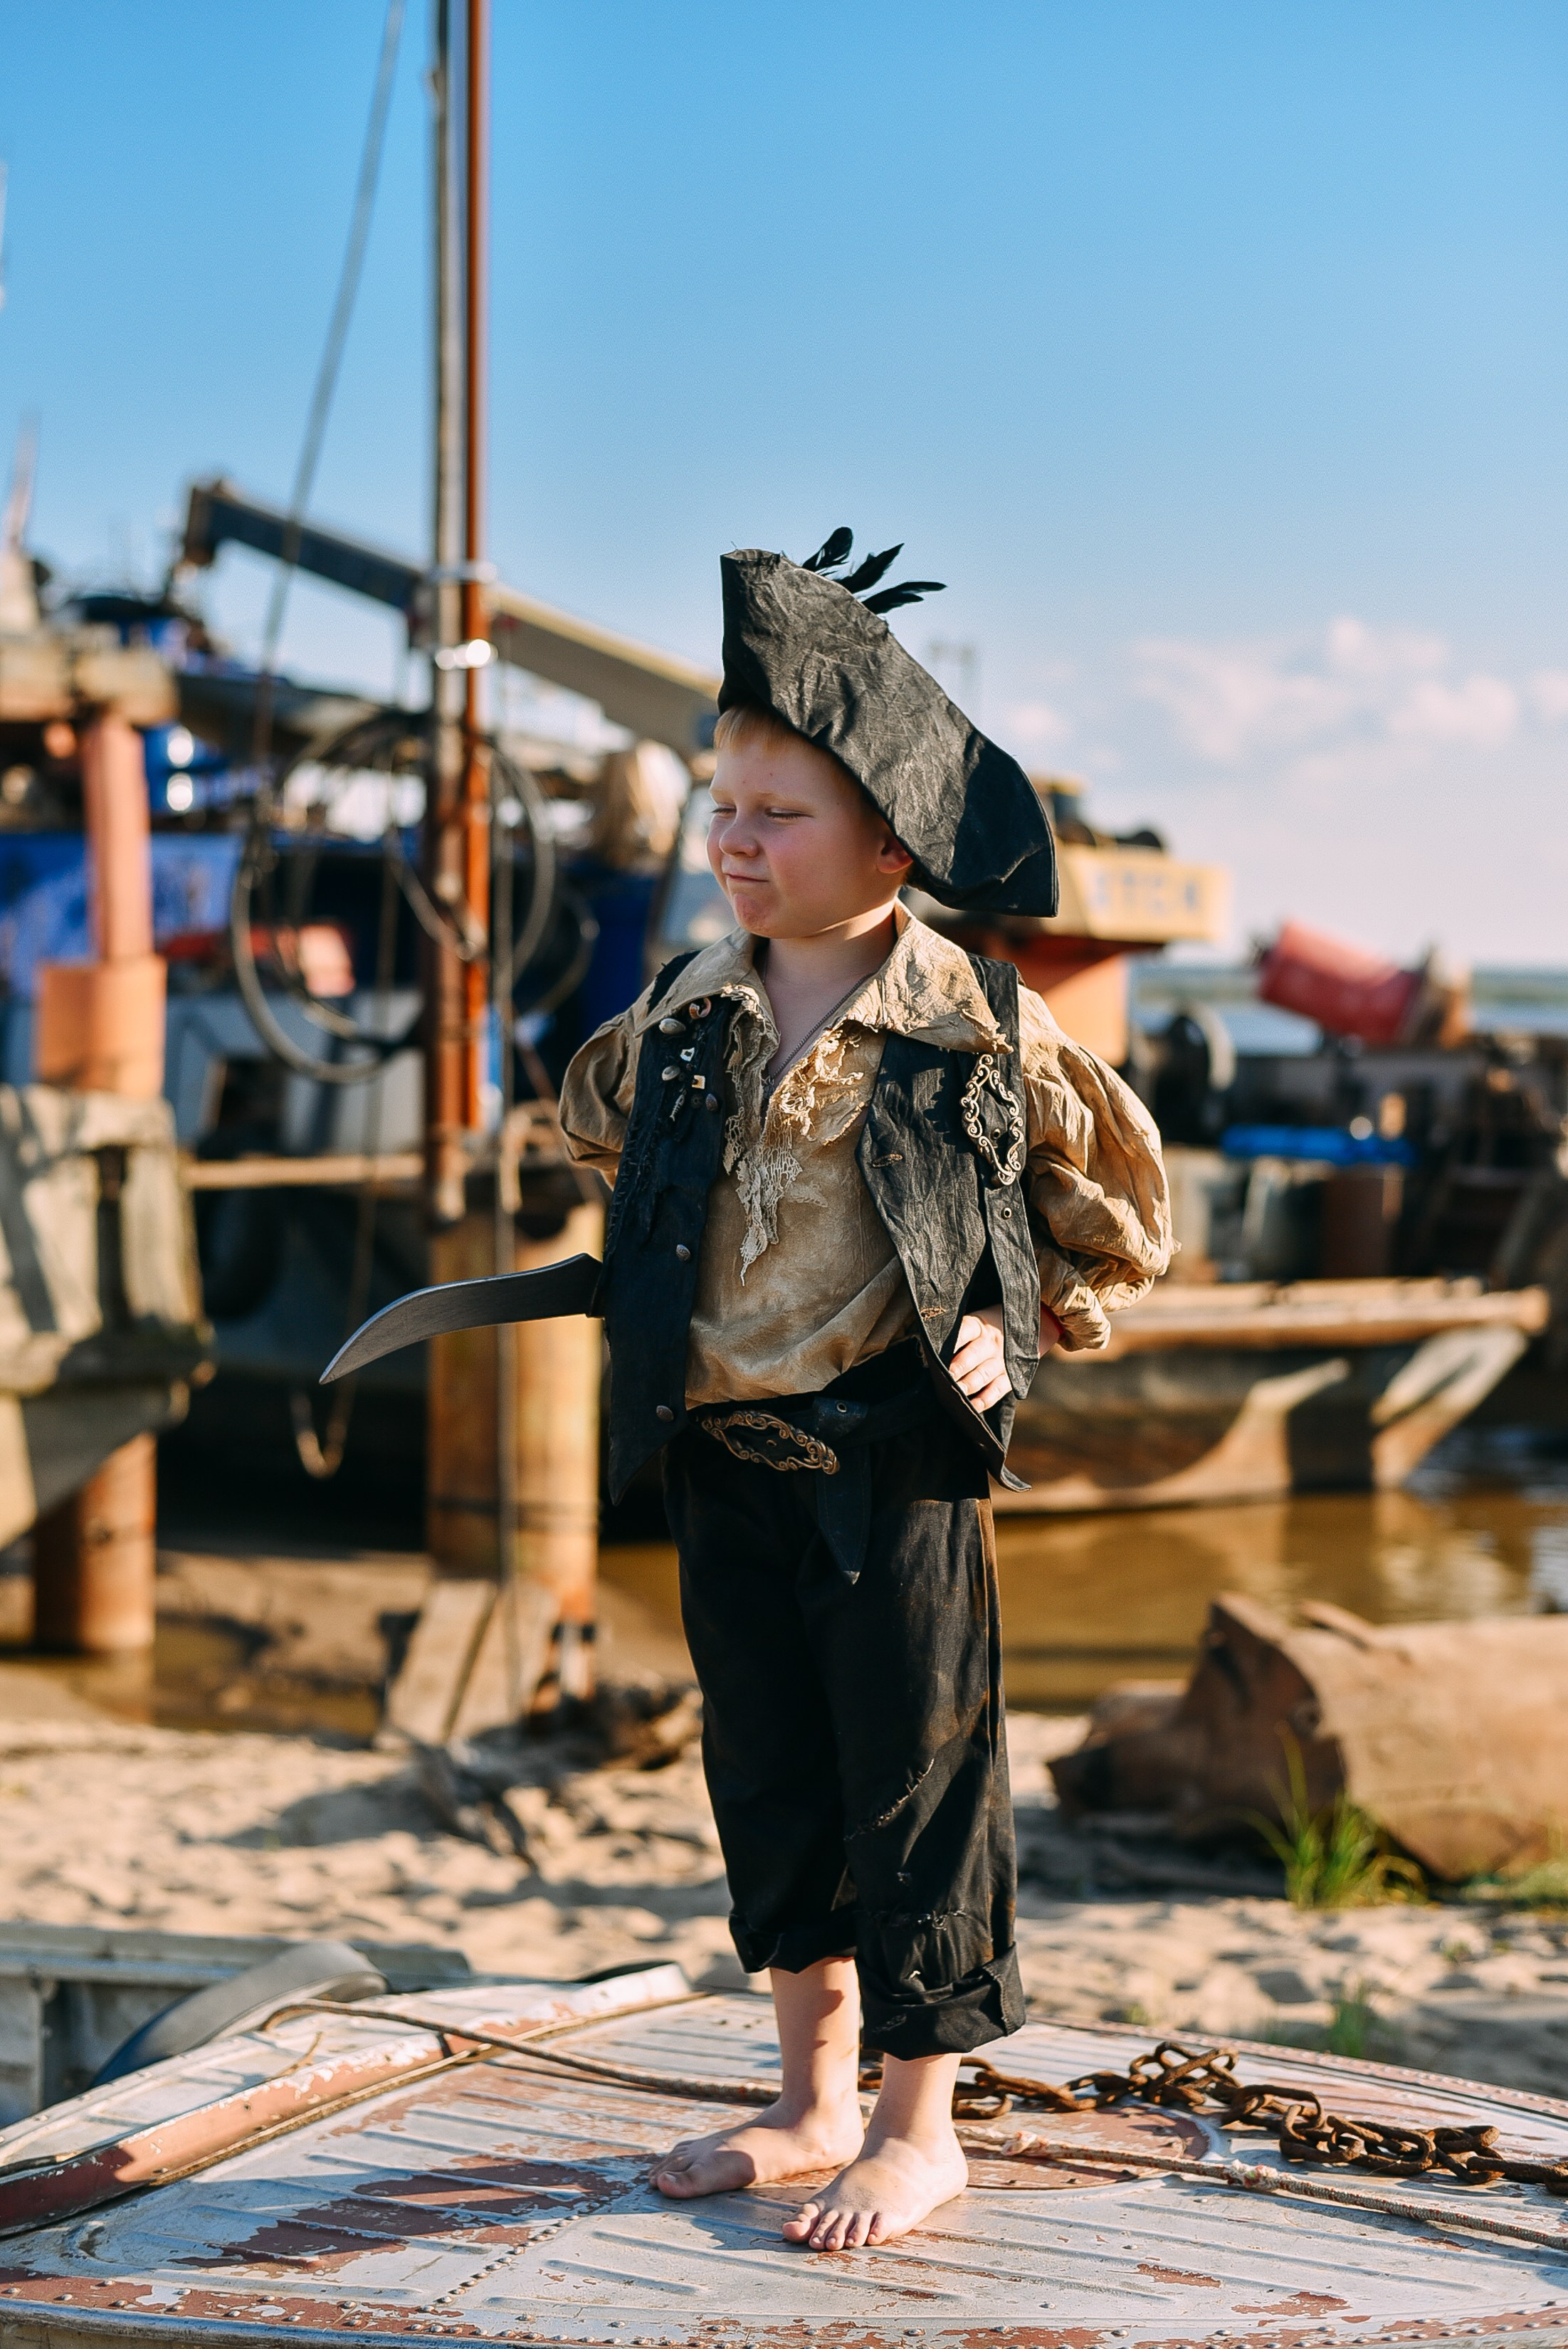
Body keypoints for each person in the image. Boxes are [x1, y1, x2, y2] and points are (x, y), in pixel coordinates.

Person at [559, 531, 1170, 2254]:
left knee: (917, 1776)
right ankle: (809, 2098)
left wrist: (1017, 1323)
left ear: (887, 842)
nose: (732, 841)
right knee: (769, 1773)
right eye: (721, 806)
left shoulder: (974, 1023)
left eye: (777, 815)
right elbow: (598, 1132)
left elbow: (1113, 1216)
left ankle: (919, 2124)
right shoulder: (688, 1008)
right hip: (718, 1452)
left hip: (888, 1463)